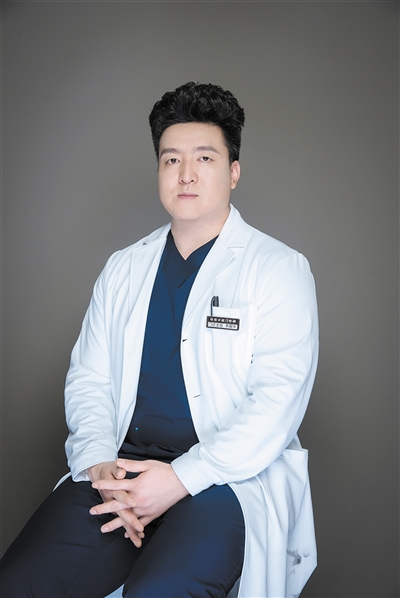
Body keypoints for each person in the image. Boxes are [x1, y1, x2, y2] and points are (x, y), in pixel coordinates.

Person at [0, 82, 319, 598]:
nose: (186, 174)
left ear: (234, 172)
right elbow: (89, 379)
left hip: (224, 480)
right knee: (21, 582)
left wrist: (179, 478)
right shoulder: (124, 268)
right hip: (122, 468)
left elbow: (275, 405)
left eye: (205, 158)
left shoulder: (278, 269)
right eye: (171, 160)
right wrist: (99, 462)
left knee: (160, 591)